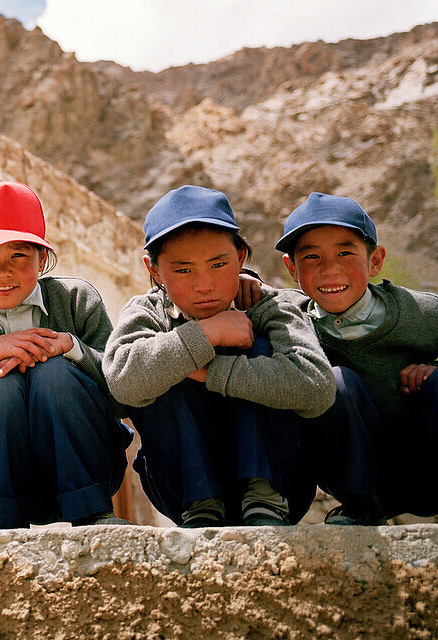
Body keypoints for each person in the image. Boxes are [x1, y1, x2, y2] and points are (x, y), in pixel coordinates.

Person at [103, 186, 334, 527]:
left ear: (241, 257)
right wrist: (206, 334)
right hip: (183, 498)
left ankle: (263, 495)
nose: (204, 285)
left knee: (259, 346)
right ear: (153, 270)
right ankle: (203, 502)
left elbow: (316, 388)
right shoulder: (146, 312)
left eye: (218, 264)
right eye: (183, 270)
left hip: (284, 490)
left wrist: (209, 371)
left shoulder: (269, 306)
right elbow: (123, 384)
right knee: (157, 359)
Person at [0, 181, 131, 530]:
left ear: (42, 257)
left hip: (91, 480)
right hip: (8, 492)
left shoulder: (77, 300)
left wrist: (73, 349)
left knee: (55, 374)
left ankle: (92, 515)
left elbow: (124, 398)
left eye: (18, 255)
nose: (2, 271)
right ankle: (1, 520)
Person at [276, 192, 438, 524]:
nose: (330, 269)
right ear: (291, 267)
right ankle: (360, 507)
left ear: (375, 261)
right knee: (334, 382)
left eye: (346, 252)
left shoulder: (421, 313)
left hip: (427, 468)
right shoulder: (290, 322)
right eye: (311, 257)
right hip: (359, 484)